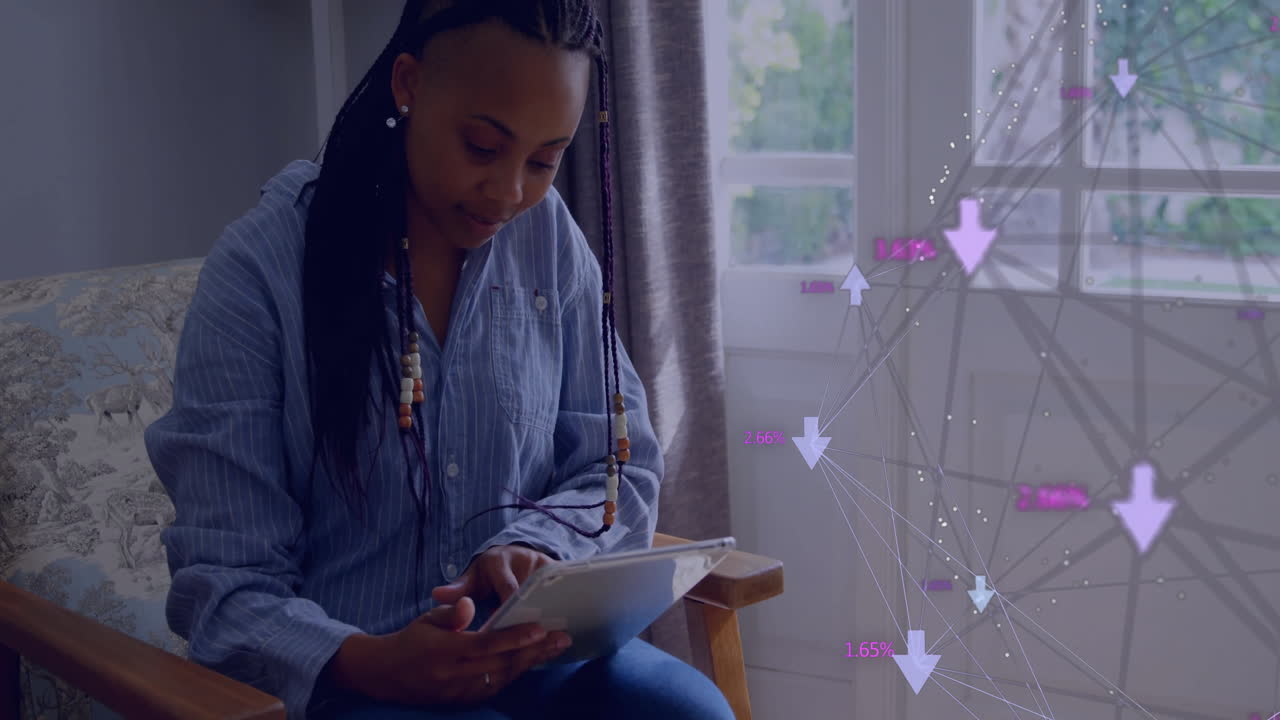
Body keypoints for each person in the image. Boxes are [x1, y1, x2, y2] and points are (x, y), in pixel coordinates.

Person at [142, 1, 736, 718]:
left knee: (693, 712)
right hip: (353, 677)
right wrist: (369, 662)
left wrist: (534, 549)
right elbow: (225, 589)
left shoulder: (547, 239)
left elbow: (619, 465)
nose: (511, 193)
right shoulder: (262, 273)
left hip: (528, 655)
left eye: (545, 160)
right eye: (483, 147)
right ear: (408, 84)